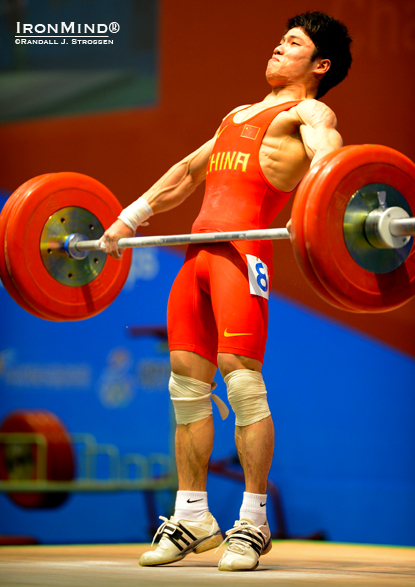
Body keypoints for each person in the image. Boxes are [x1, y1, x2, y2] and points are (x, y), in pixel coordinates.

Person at [102, 11, 352, 572]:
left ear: (320, 64)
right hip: (196, 258)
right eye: (280, 40)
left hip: (244, 258)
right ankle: (192, 516)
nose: (277, 49)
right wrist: (126, 219)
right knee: (186, 390)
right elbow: (187, 174)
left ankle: (254, 523)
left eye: (293, 44)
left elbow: (331, 162)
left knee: (242, 384)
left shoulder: (310, 111)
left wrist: (340, 203)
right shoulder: (237, 115)